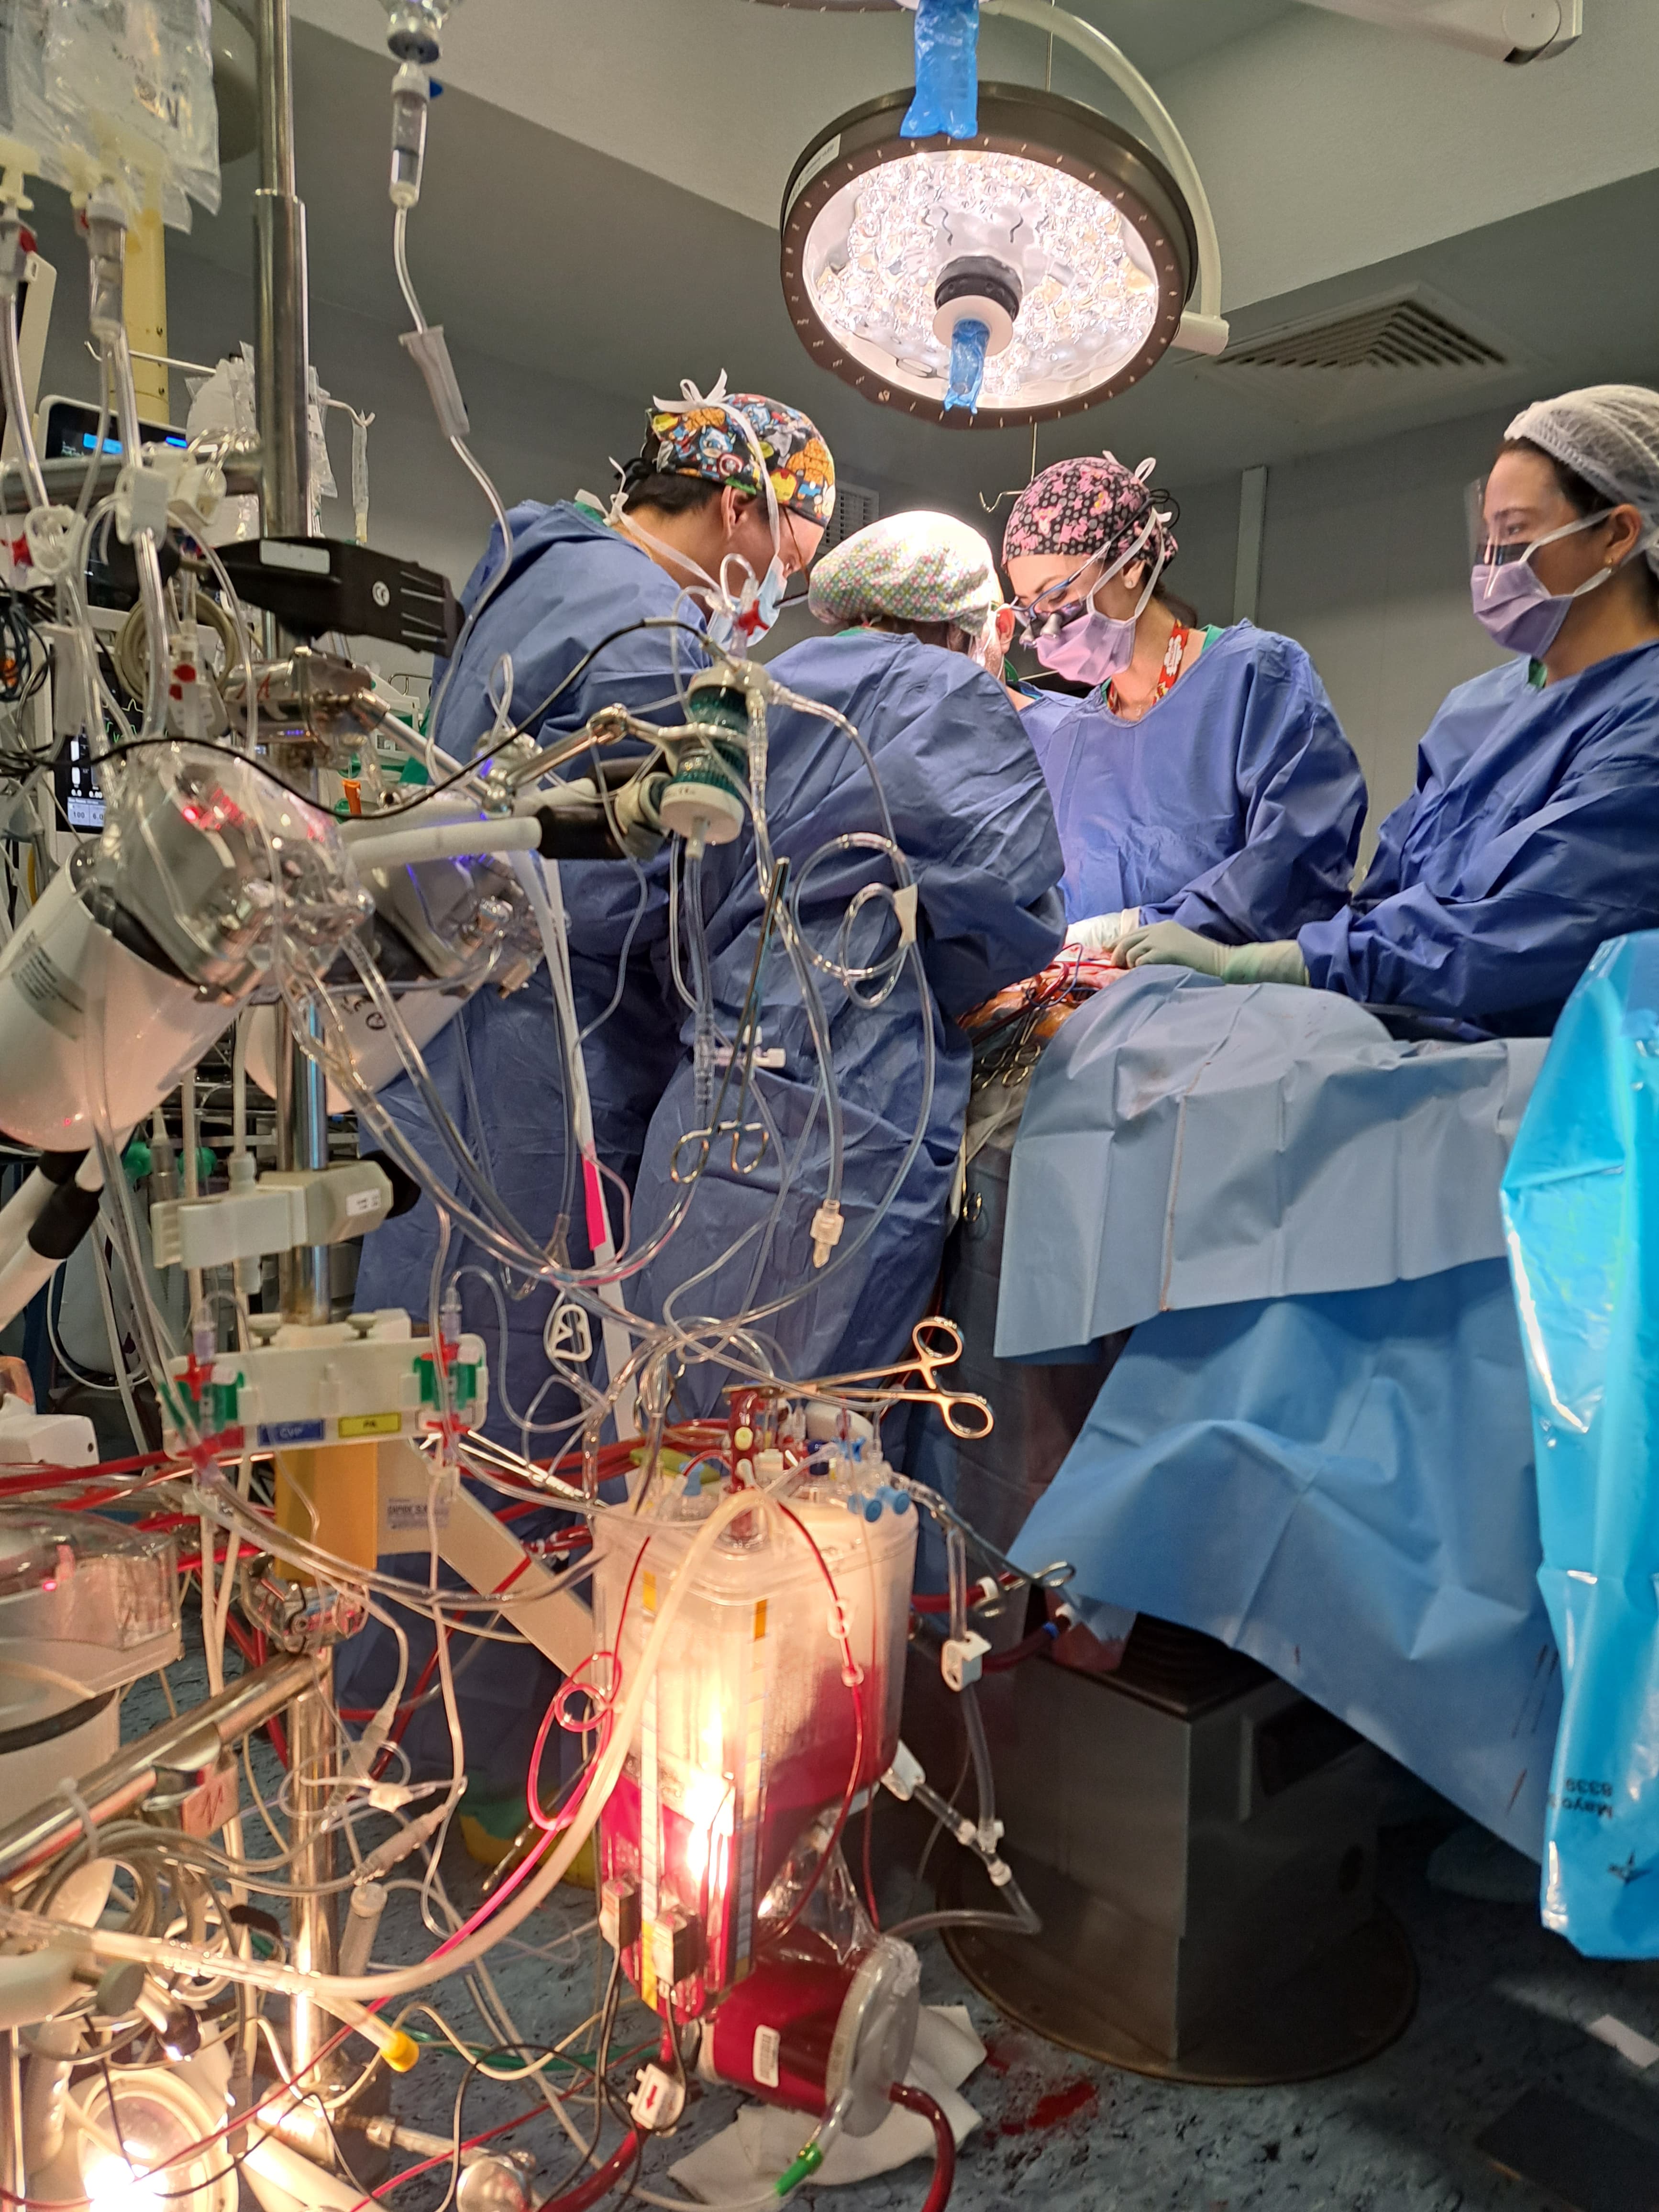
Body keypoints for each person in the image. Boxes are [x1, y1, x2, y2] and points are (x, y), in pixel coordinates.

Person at [338, 382, 833, 1809]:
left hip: (441, 1069)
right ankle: (455, 1768)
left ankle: (383, 1719)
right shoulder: (645, 629)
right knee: (507, 1417)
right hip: (527, 1079)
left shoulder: (528, 571)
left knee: (417, 1390)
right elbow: (649, 895)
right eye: (789, 544)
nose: (780, 582)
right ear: (741, 509)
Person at [628, 512, 1065, 1411]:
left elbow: (678, 891)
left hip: (713, 1087)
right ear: (963, 623)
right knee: (811, 1447)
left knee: (673, 1423)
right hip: (852, 1103)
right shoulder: (953, 693)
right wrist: (925, 981)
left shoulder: (753, 688)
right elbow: (1017, 914)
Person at [1112, 385, 1659, 1035]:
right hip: (1399, 1045)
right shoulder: (1478, 710)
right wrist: (1310, 969)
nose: (1490, 567)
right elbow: (1386, 898)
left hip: (1538, 1089)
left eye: (1513, 536)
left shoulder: (1643, 718)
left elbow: (1534, 927)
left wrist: (1269, 965)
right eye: (1486, 538)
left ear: (1618, 534)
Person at [1000, 452, 1365, 953]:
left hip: (1237, 1008)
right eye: (1030, 609)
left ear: (1130, 564)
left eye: (1057, 595)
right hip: (1096, 1015)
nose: (1047, 627)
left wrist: (1136, 930)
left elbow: (1297, 866)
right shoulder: (1072, 740)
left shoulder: (1256, 677)